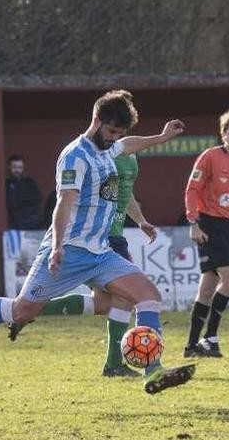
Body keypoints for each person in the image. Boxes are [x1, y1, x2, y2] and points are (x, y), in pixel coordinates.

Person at [0, 90, 195, 394]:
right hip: (68, 250)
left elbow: (127, 145)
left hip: (101, 252)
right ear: (96, 121)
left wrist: (160, 138)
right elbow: (64, 204)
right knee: (21, 311)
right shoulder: (74, 156)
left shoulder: (107, 148)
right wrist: (57, 246)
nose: (114, 139)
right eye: (110, 131)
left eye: (118, 133)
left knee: (148, 296)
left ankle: (153, 371)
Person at [40, 155, 159, 378]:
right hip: (103, 238)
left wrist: (140, 220)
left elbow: (124, 193)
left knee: (106, 303)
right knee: (134, 296)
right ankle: (129, 365)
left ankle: (33, 309)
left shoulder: (129, 155)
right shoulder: (105, 154)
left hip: (111, 237)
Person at [183, 108, 229, 358]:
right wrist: (193, 222)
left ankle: (192, 346)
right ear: (223, 134)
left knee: (207, 287)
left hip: (227, 227)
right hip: (207, 224)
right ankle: (210, 338)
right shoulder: (210, 156)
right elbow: (192, 190)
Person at [5, 154, 46, 230]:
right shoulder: (5, 184)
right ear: (9, 167)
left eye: (20, 168)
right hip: (15, 224)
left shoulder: (29, 182)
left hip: (33, 222)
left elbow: (38, 198)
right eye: (14, 167)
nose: (17, 170)